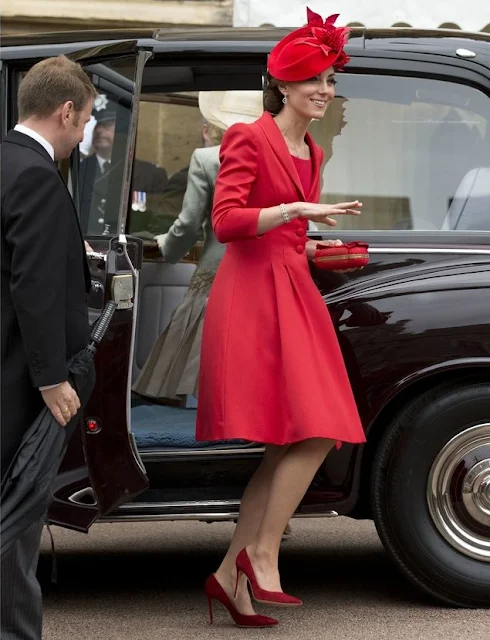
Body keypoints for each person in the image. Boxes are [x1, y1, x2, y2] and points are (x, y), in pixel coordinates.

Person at [197, 8, 366, 628]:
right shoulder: (249, 136)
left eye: (330, 80)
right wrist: (296, 207)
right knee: (318, 427)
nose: (325, 90)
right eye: (315, 79)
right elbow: (227, 222)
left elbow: (288, 234)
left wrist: (321, 242)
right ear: (285, 85)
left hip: (292, 289)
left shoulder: (313, 150)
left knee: (298, 437)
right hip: (253, 298)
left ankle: (227, 576)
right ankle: (261, 557)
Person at [1, 55, 96, 640]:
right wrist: (51, 377)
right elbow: (31, 286)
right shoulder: (37, 175)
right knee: (16, 516)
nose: (83, 133)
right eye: (84, 121)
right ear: (65, 112)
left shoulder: (6, 161)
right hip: (22, 378)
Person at [133, 90, 264, 403]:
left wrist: (167, 247)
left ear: (213, 126)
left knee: (203, 348)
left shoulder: (206, 158)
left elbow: (189, 224)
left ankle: (199, 409)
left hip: (218, 266)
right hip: (264, 267)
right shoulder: (278, 156)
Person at [79, 101, 169, 234]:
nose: (99, 130)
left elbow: (159, 222)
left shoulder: (149, 174)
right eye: (97, 124)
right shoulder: (79, 169)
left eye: (107, 125)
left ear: (124, 131)